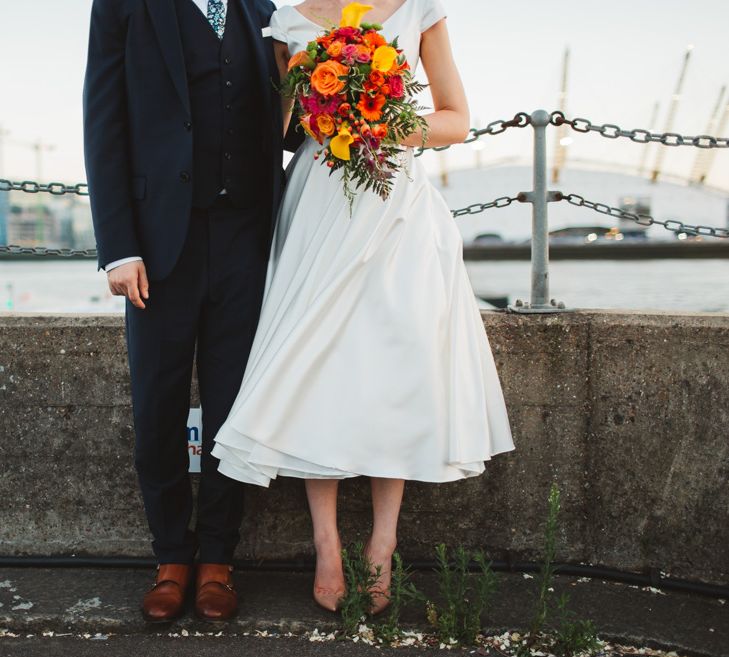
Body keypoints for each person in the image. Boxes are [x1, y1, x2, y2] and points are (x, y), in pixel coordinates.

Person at [211, 0, 517, 614]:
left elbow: (455, 120)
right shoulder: (286, 22)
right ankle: (325, 542)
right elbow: (273, 131)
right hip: (317, 207)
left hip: (395, 209)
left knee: (394, 364)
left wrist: (377, 124)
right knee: (312, 364)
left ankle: (383, 539)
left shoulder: (421, 9)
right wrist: (320, 112)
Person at [83, 0, 293, 622]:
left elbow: (281, 123)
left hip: (247, 238)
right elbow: (104, 117)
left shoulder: (264, 7)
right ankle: (171, 556)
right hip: (157, 241)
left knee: (235, 407)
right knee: (158, 403)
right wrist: (118, 247)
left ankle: (219, 561)